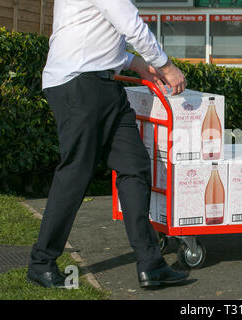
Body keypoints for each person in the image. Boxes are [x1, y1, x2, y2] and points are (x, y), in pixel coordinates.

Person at [27, 0, 190, 289]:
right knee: (75, 173)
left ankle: (151, 265)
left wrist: (135, 62)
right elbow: (131, 26)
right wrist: (167, 66)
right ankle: (41, 263)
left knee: (135, 166)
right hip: (80, 86)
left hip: (103, 86)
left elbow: (92, 36)